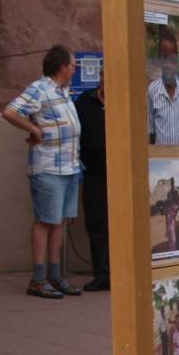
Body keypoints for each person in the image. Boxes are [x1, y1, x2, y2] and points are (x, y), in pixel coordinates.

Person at [2, 44, 83, 299]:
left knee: (58, 222)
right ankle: (37, 279)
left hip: (69, 167)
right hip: (48, 167)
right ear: (61, 68)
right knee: (45, 221)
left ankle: (55, 275)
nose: (75, 67)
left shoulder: (64, 91)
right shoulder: (40, 89)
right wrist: (34, 130)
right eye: (72, 64)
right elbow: (11, 111)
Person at [73, 67, 110, 291]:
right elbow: (73, 132)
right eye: (106, 76)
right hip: (94, 174)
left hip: (122, 175)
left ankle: (123, 274)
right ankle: (102, 274)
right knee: (96, 225)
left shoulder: (125, 101)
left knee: (123, 225)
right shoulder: (84, 102)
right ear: (100, 77)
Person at [147, 29, 179, 146]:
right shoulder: (152, 91)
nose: (168, 65)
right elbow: (150, 136)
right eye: (164, 59)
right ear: (159, 60)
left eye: (172, 59)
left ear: (177, 60)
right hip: (159, 161)